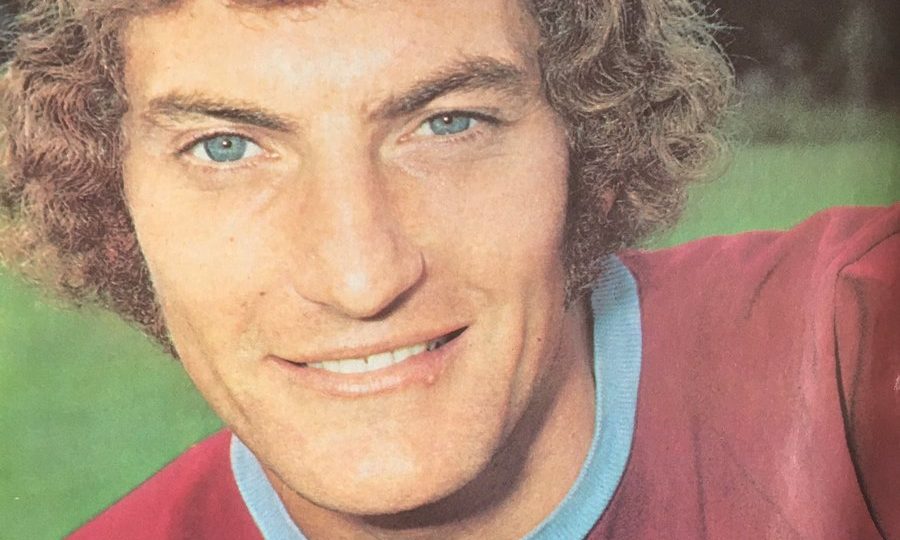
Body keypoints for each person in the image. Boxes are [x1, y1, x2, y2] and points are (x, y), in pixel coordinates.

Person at [0, 0, 896, 538]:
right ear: (112, 204)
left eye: (449, 123)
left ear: (589, 147)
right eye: (225, 146)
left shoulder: (848, 347)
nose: (361, 279)